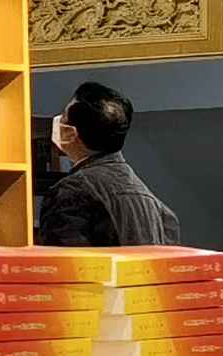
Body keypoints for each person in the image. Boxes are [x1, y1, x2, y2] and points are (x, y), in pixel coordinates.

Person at [36, 79, 180, 248]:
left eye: (64, 116)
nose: (59, 120)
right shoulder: (151, 201)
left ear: (71, 133)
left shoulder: (71, 192)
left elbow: (66, 261)